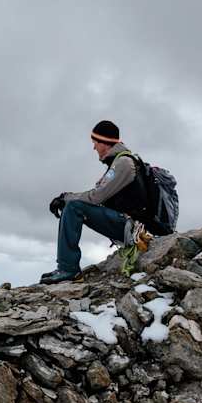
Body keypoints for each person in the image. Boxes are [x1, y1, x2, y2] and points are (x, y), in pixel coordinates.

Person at [40, 120, 151, 284]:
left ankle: (68, 269)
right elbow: (99, 196)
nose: (94, 148)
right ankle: (65, 267)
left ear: (104, 142)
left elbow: (97, 197)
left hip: (131, 227)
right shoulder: (119, 162)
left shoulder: (123, 163)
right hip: (127, 223)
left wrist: (65, 198)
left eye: (95, 143)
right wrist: (67, 198)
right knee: (72, 205)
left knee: (74, 207)